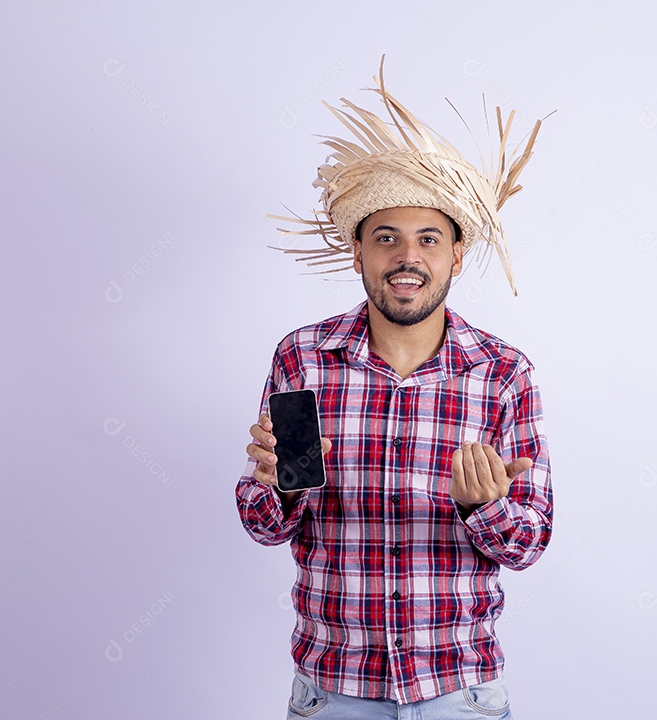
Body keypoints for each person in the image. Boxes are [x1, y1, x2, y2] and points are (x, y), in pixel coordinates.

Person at [236, 59, 553, 719]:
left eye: (428, 239)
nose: (407, 257)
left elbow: (528, 542)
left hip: (458, 695)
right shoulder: (305, 359)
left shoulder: (502, 373)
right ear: (359, 251)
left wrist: (483, 508)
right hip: (332, 694)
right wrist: (284, 483)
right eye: (387, 239)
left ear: (455, 256)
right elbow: (264, 525)